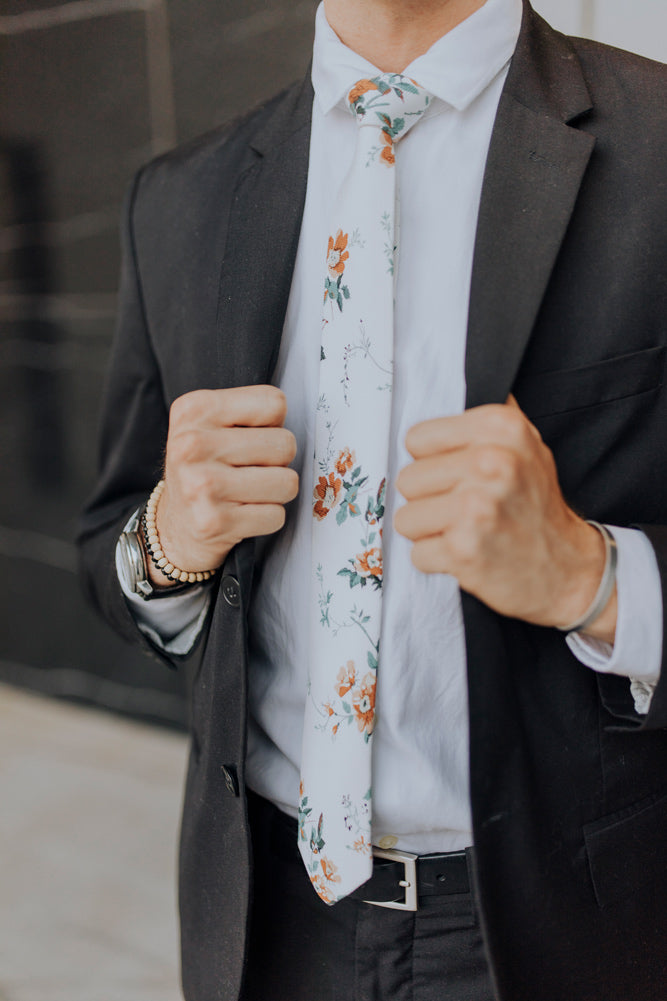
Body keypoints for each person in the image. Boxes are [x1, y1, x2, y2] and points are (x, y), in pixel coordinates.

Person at [78, 0, 667, 998]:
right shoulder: (178, 199)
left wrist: (593, 578)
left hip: (577, 922)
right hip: (264, 921)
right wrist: (171, 542)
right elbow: (111, 549)